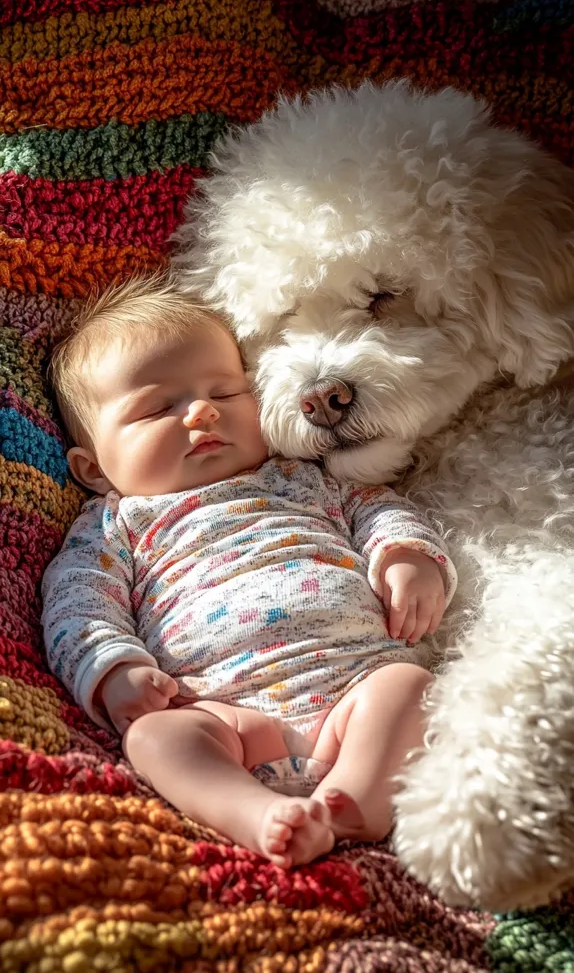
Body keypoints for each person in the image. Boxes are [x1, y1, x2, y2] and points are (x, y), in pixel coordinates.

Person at [42, 273, 457, 868]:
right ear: (93, 468)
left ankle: (350, 803)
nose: (203, 411)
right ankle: (255, 814)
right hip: (226, 716)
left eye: (228, 392)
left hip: (355, 687)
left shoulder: (302, 477)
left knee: (408, 687)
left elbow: (379, 509)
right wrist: (114, 669)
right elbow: (77, 603)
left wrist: (407, 556)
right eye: (158, 408)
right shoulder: (117, 524)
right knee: (154, 738)